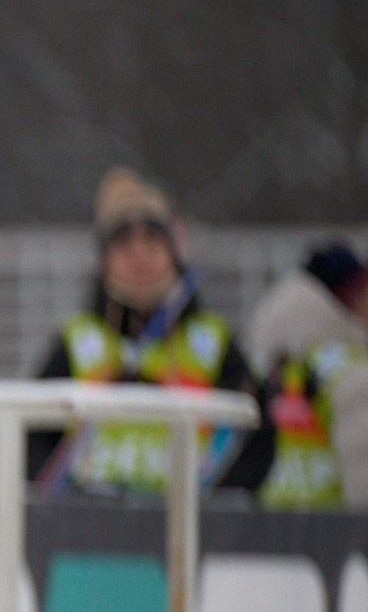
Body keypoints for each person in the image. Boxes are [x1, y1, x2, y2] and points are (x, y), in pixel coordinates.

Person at [29, 168, 273, 494]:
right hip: (94, 525)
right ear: (105, 261)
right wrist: (72, 504)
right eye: (125, 247)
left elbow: (258, 434)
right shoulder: (78, 340)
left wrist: (217, 502)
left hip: (185, 523)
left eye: (153, 243)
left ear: (173, 253)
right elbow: (32, 438)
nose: (140, 257)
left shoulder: (211, 340)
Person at [244, 239, 368, 509]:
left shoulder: (262, 364)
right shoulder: (350, 371)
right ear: (345, 299)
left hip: (259, 532)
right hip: (334, 535)